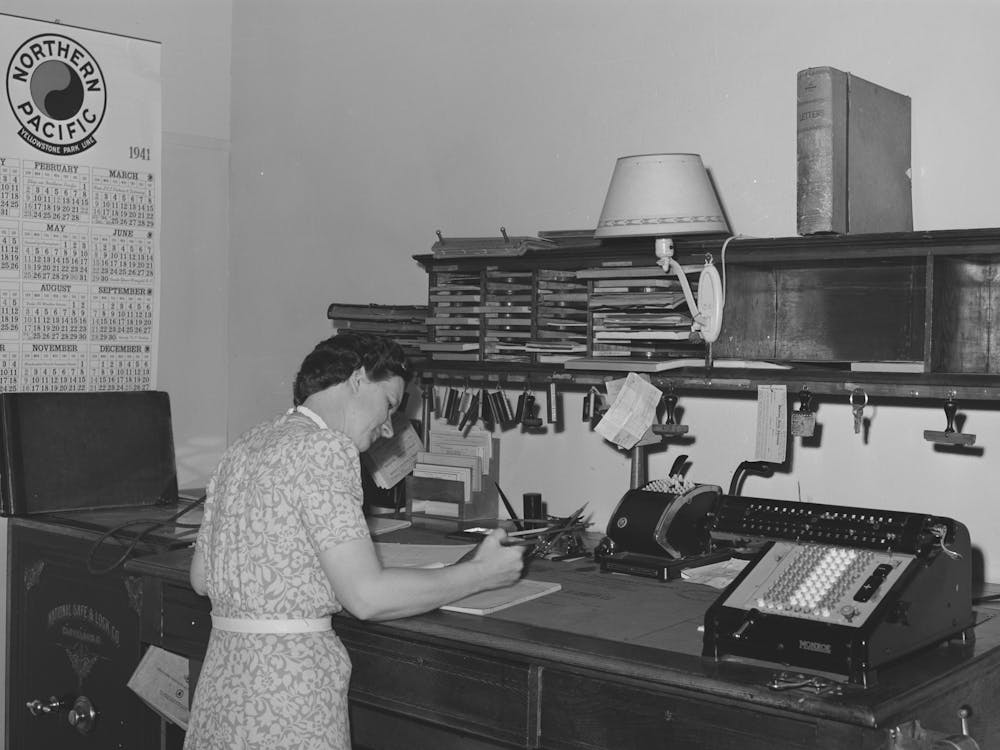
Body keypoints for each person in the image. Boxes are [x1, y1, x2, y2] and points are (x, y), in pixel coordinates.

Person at [184, 332, 525, 749]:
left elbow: (202, 579)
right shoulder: (327, 448)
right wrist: (481, 573)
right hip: (286, 698)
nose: (387, 428)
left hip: (223, 688)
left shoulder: (246, 444)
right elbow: (367, 597)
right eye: (390, 404)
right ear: (358, 379)